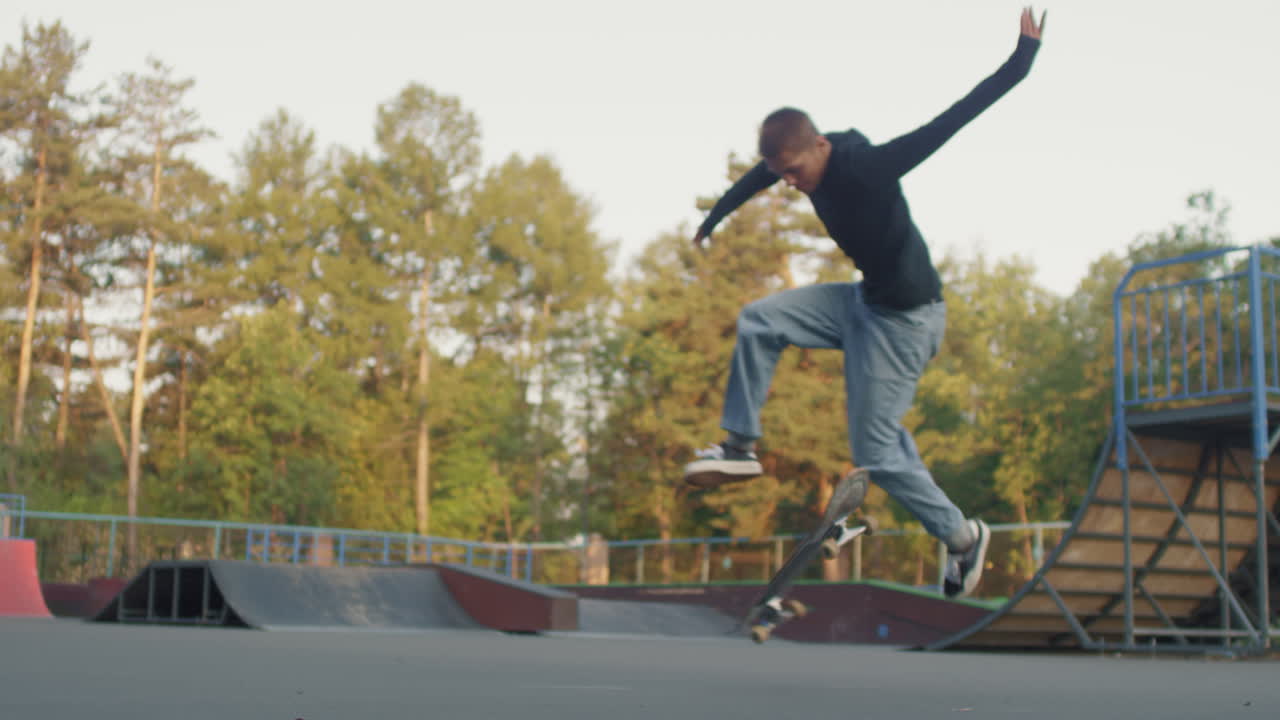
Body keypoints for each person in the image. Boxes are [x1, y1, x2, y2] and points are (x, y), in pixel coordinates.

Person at [682, 8, 1046, 599]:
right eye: (784, 175)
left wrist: (1020, 62)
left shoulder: (868, 167)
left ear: (820, 146)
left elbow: (950, 121)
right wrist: (715, 217)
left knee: (874, 449)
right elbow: (759, 175)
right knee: (759, 320)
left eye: (795, 173)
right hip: (861, 302)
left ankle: (962, 538)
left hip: (906, 322)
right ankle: (740, 447)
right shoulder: (801, 157)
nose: (791, 183)